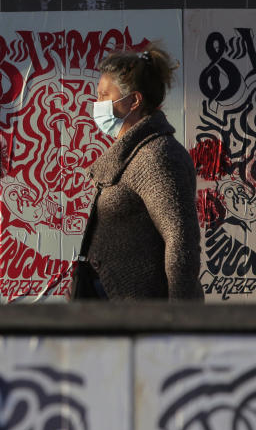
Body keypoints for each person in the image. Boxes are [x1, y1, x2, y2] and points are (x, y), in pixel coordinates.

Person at [79, 42, 204, 301]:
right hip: (112, 302)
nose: (96, 103)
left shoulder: (158, 155)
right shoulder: (133, 151)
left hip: (144, 312)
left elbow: (180, 240)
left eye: (104, 95)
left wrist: (179, 318)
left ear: (134, 100)